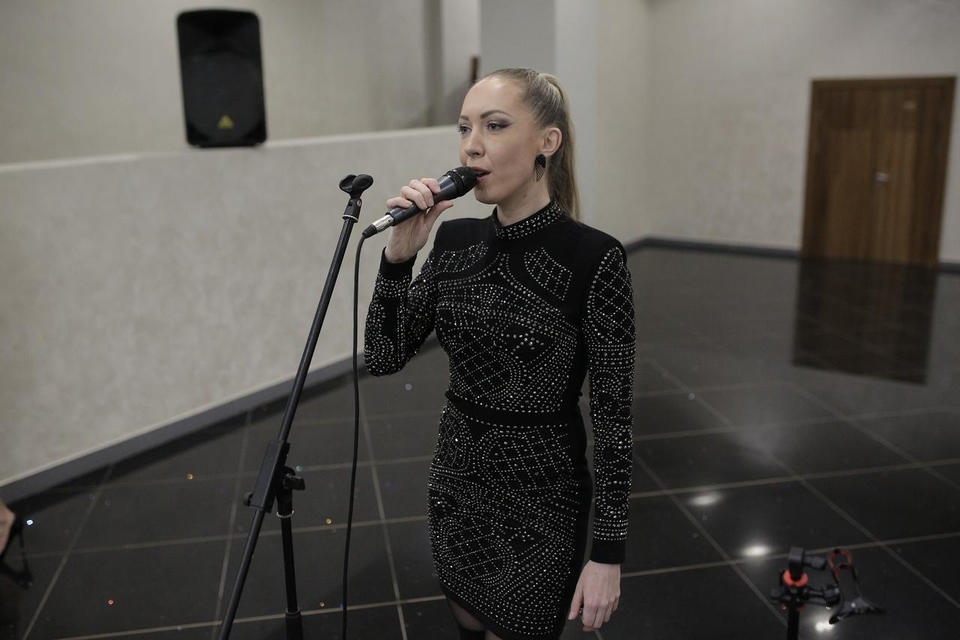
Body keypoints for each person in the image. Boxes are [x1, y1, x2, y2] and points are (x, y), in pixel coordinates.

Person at [364, 68, 635, 640]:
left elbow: (614, 419)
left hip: (542, 498)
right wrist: (397, 260)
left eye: (494, 125)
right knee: (467, 621)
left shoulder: (594, 258)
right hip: (456, 481)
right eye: (464, 128)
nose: (471, 146)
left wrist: (607, 553)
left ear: (547, 141)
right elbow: (384, 355)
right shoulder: (455, 240)